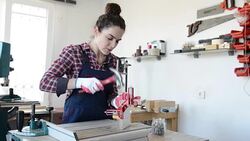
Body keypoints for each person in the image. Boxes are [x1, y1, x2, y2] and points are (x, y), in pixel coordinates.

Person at [39, 3, 126, 123]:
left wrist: (116, 101)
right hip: (74, 125)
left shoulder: (114, 61)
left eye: (117, 41)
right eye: (109, 38)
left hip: (104, 125)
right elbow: (45, 82)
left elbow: (111, 93)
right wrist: (79, 82)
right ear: (96, 30)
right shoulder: (74, 53)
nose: (113, 45)